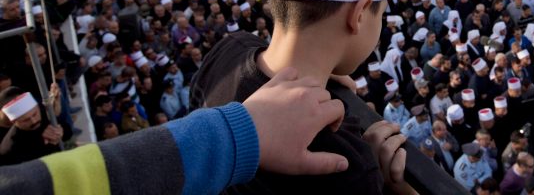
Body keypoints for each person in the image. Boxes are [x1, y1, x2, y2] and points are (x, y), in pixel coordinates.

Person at [190, 0, 415, 194]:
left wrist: (321, 70)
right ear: (358, 14)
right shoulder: (345, 164)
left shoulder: (229, 49)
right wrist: (390, 184)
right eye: (380, 13)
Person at [0, 67, 348, 195]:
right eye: (26, 121)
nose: (34, 122)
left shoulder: (45, 119)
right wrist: (235, 134)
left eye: (35, 116)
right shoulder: (10, 151)